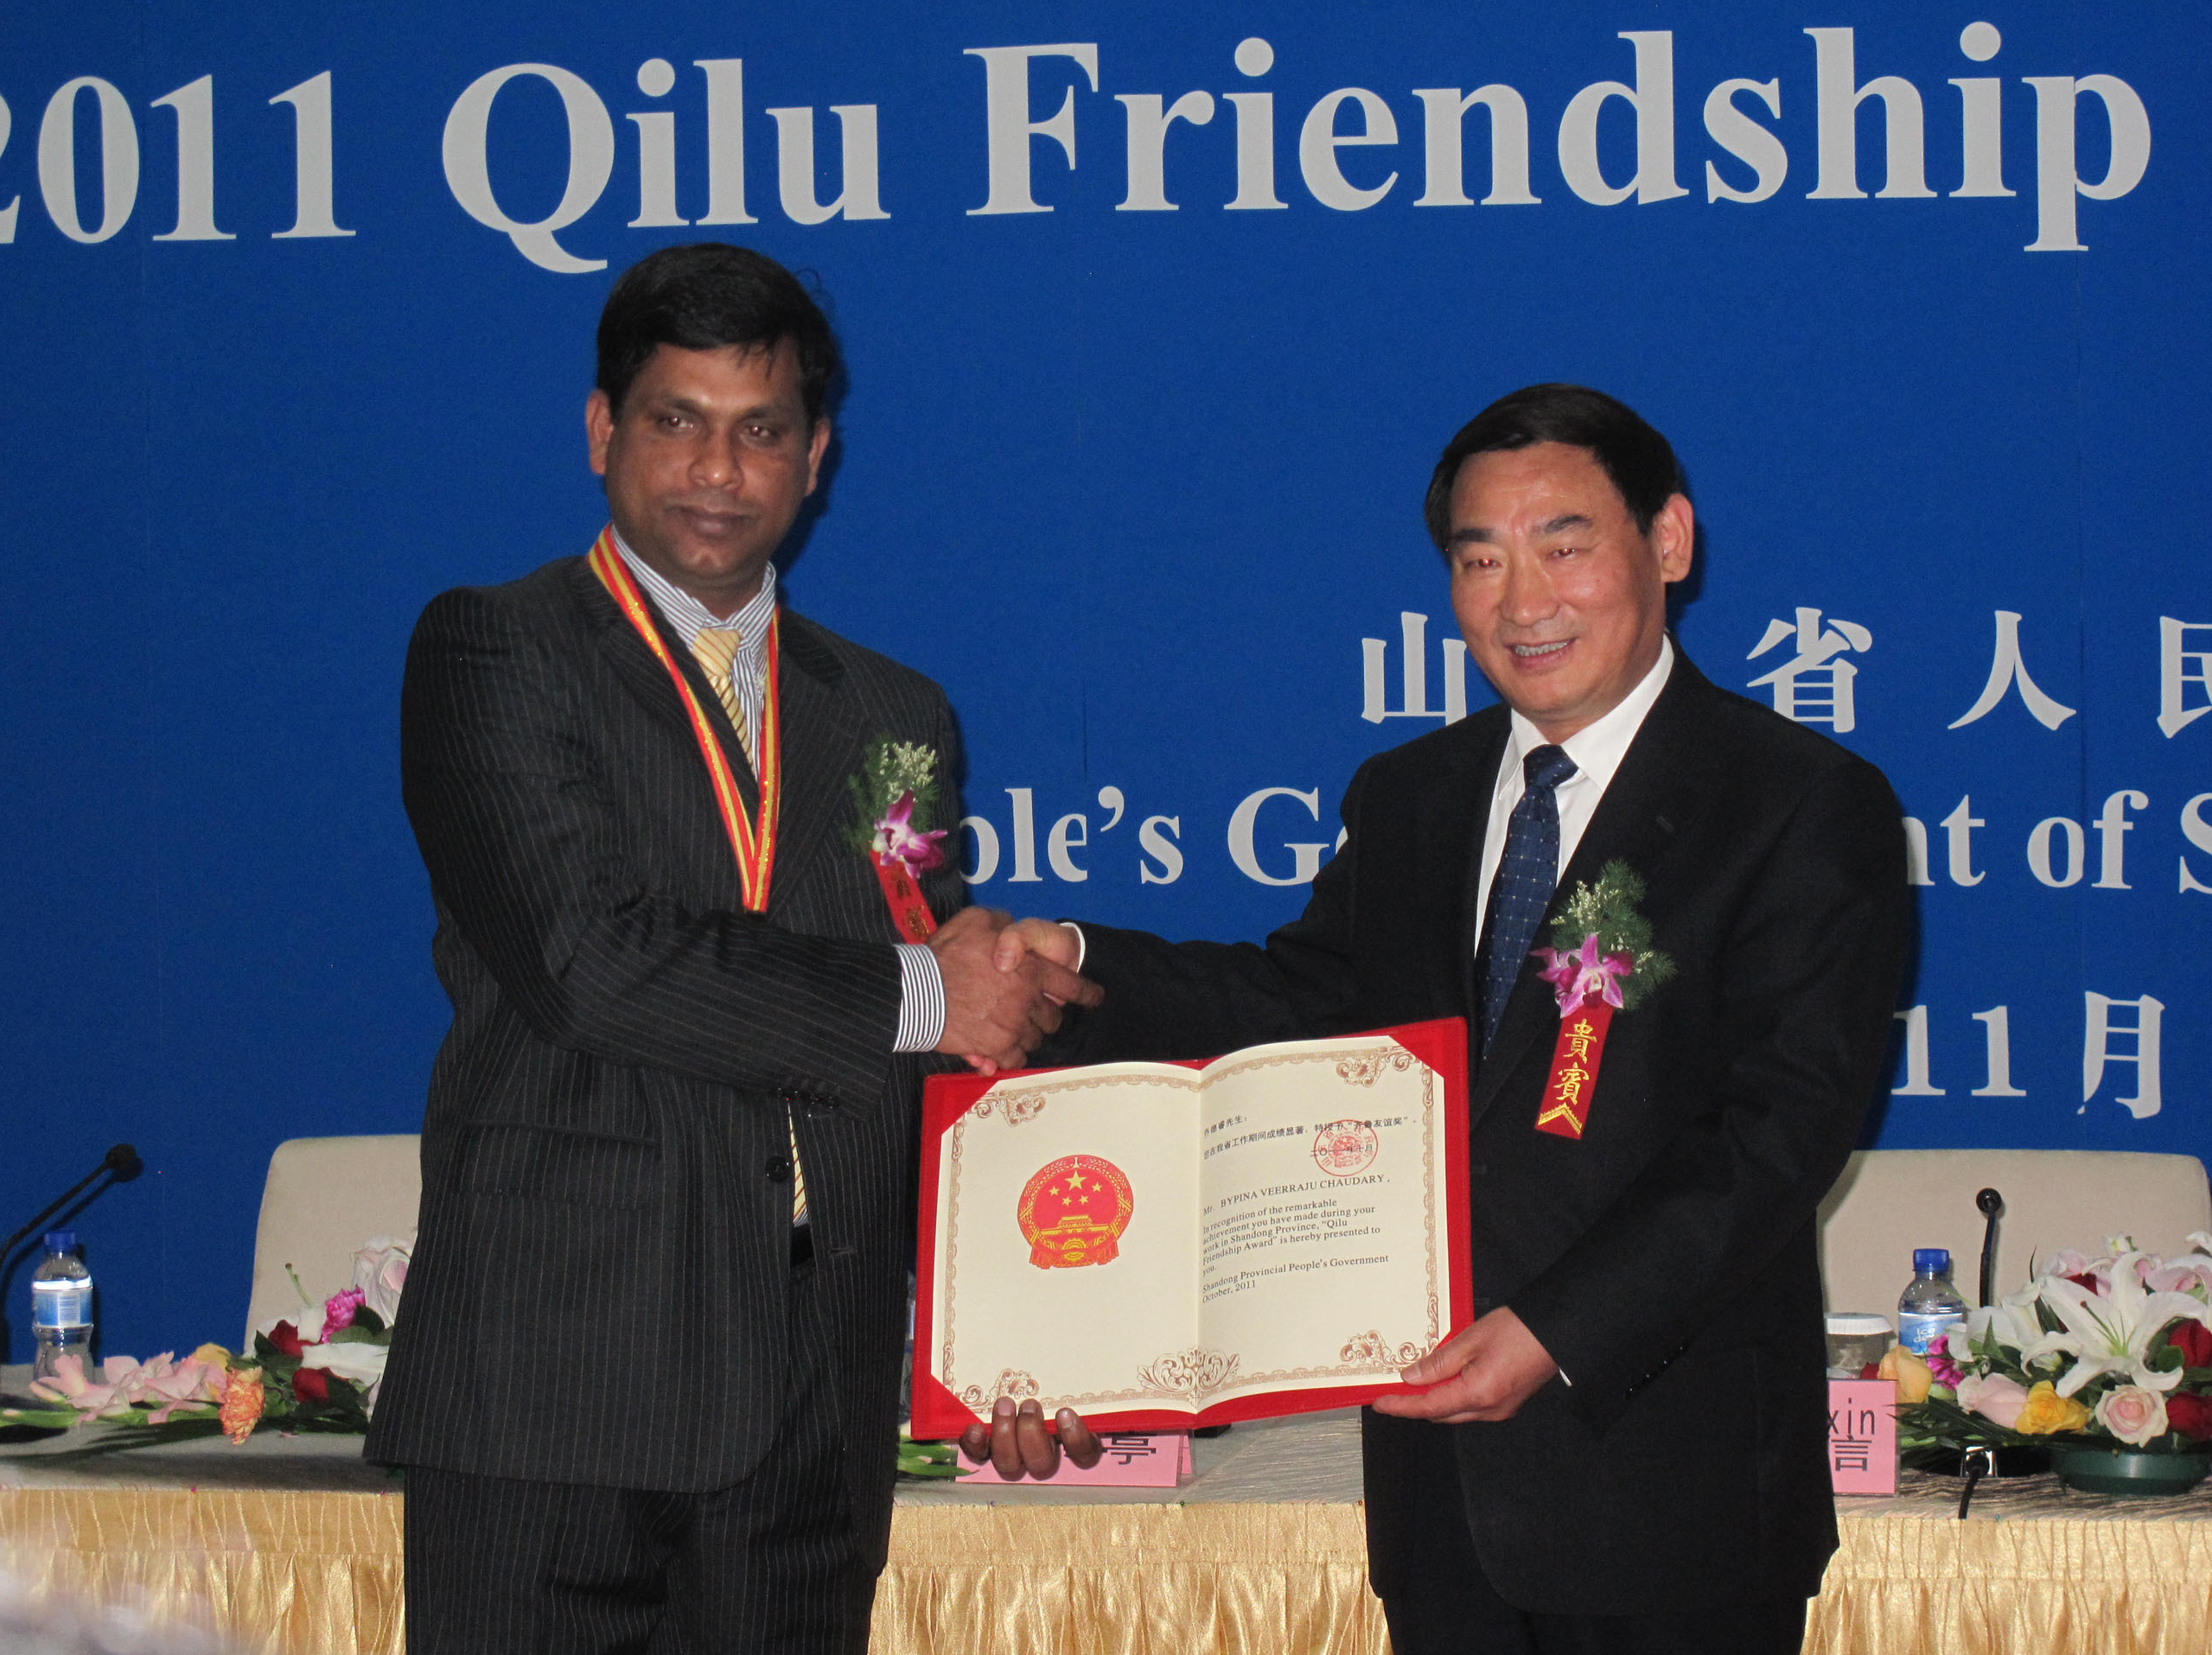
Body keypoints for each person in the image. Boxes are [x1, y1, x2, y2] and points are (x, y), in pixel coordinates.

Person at [979, 385, 1910, 1652]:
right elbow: (1300, 1003)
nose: (1523, 602)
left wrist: (1556, 1333)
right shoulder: (1412, 794)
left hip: (1670, 1496)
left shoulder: (1800, 800)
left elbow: (1782, 1131)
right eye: (1480, 560)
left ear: (1669, 540)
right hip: (1438, 1507)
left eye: (1564, 546)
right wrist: (1078, 969)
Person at [366, 242, 1099, 1654]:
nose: (717, 468)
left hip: (811, 1412)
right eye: (676, 420)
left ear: (815, 458)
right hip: (561, 1385)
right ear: (602, 430)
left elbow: (942, 1038)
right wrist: (929, 989)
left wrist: (1026, 1327)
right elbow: (589, 959)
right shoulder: (495, 651)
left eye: (761, 429)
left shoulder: (892, 711)